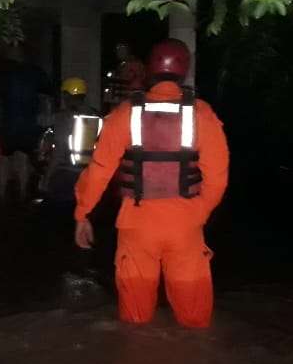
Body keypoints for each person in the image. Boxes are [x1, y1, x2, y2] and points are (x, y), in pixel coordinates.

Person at [74, 38, 229, 328]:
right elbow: (218, 177)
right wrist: (197, 212)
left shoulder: (123, 114)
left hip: (136, 225)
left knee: (134, 321)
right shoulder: (202, 114)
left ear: (148, 71)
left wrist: (82, 214)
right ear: (184, 71)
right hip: (185, 226)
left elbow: (99, 171)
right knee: (195, 322)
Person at [0, 45, 51, 200]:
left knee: (6, 158)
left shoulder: (4, 73)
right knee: (23, 158)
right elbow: (45, 98)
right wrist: (45, 119)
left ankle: (2, 192)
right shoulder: (35, 72)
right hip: (28, 125)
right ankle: (23, 192)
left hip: (8, 125)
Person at [40, 77, 102, 201]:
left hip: (67, 175)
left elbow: (59, 152)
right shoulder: (97, 115)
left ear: (67, 95)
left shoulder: (64, 117)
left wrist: (47, 179)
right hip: (90, 173)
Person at [104, 40, 147, 109]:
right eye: (117, 49)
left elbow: (137, 85)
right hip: (117, 105)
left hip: (128, 104)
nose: (119, 52)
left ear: (128, 50)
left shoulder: (134, 64)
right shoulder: (120, 65)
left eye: (122, 49)